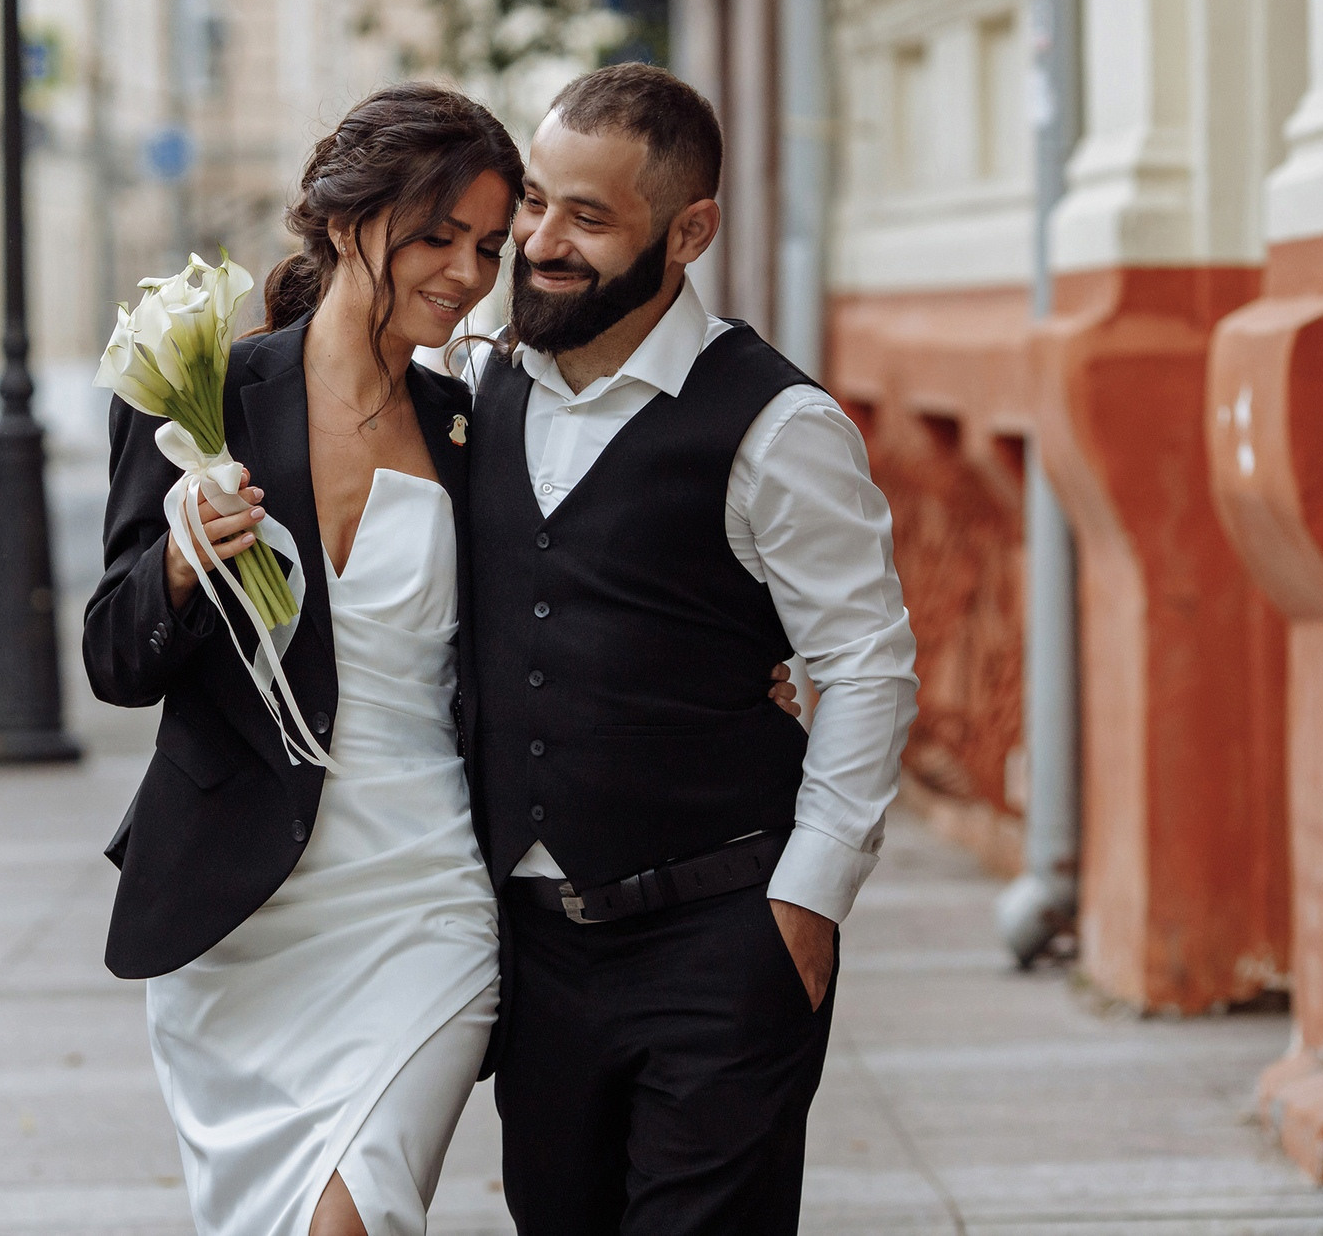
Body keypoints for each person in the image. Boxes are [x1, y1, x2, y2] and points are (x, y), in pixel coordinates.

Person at [84, 82, 800, 1236]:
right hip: (242, 919)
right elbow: (114, 658)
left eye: (486, 241)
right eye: (434, 238)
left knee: (349, 1219)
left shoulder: (477, 415)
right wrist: (174, 564)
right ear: (338, 219)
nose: (470, 274)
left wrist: (763, 664)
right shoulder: (202, 399)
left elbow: (588, 578)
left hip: (424, 896)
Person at [465, 62, 919, 1236]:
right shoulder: (480, 387)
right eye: (534, 203)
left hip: (721, 937)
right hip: (536, 956)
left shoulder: (778, 425)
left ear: (690, 231)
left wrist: (808, 905)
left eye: (588, 217)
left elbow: (866, 665)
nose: (542, 242)